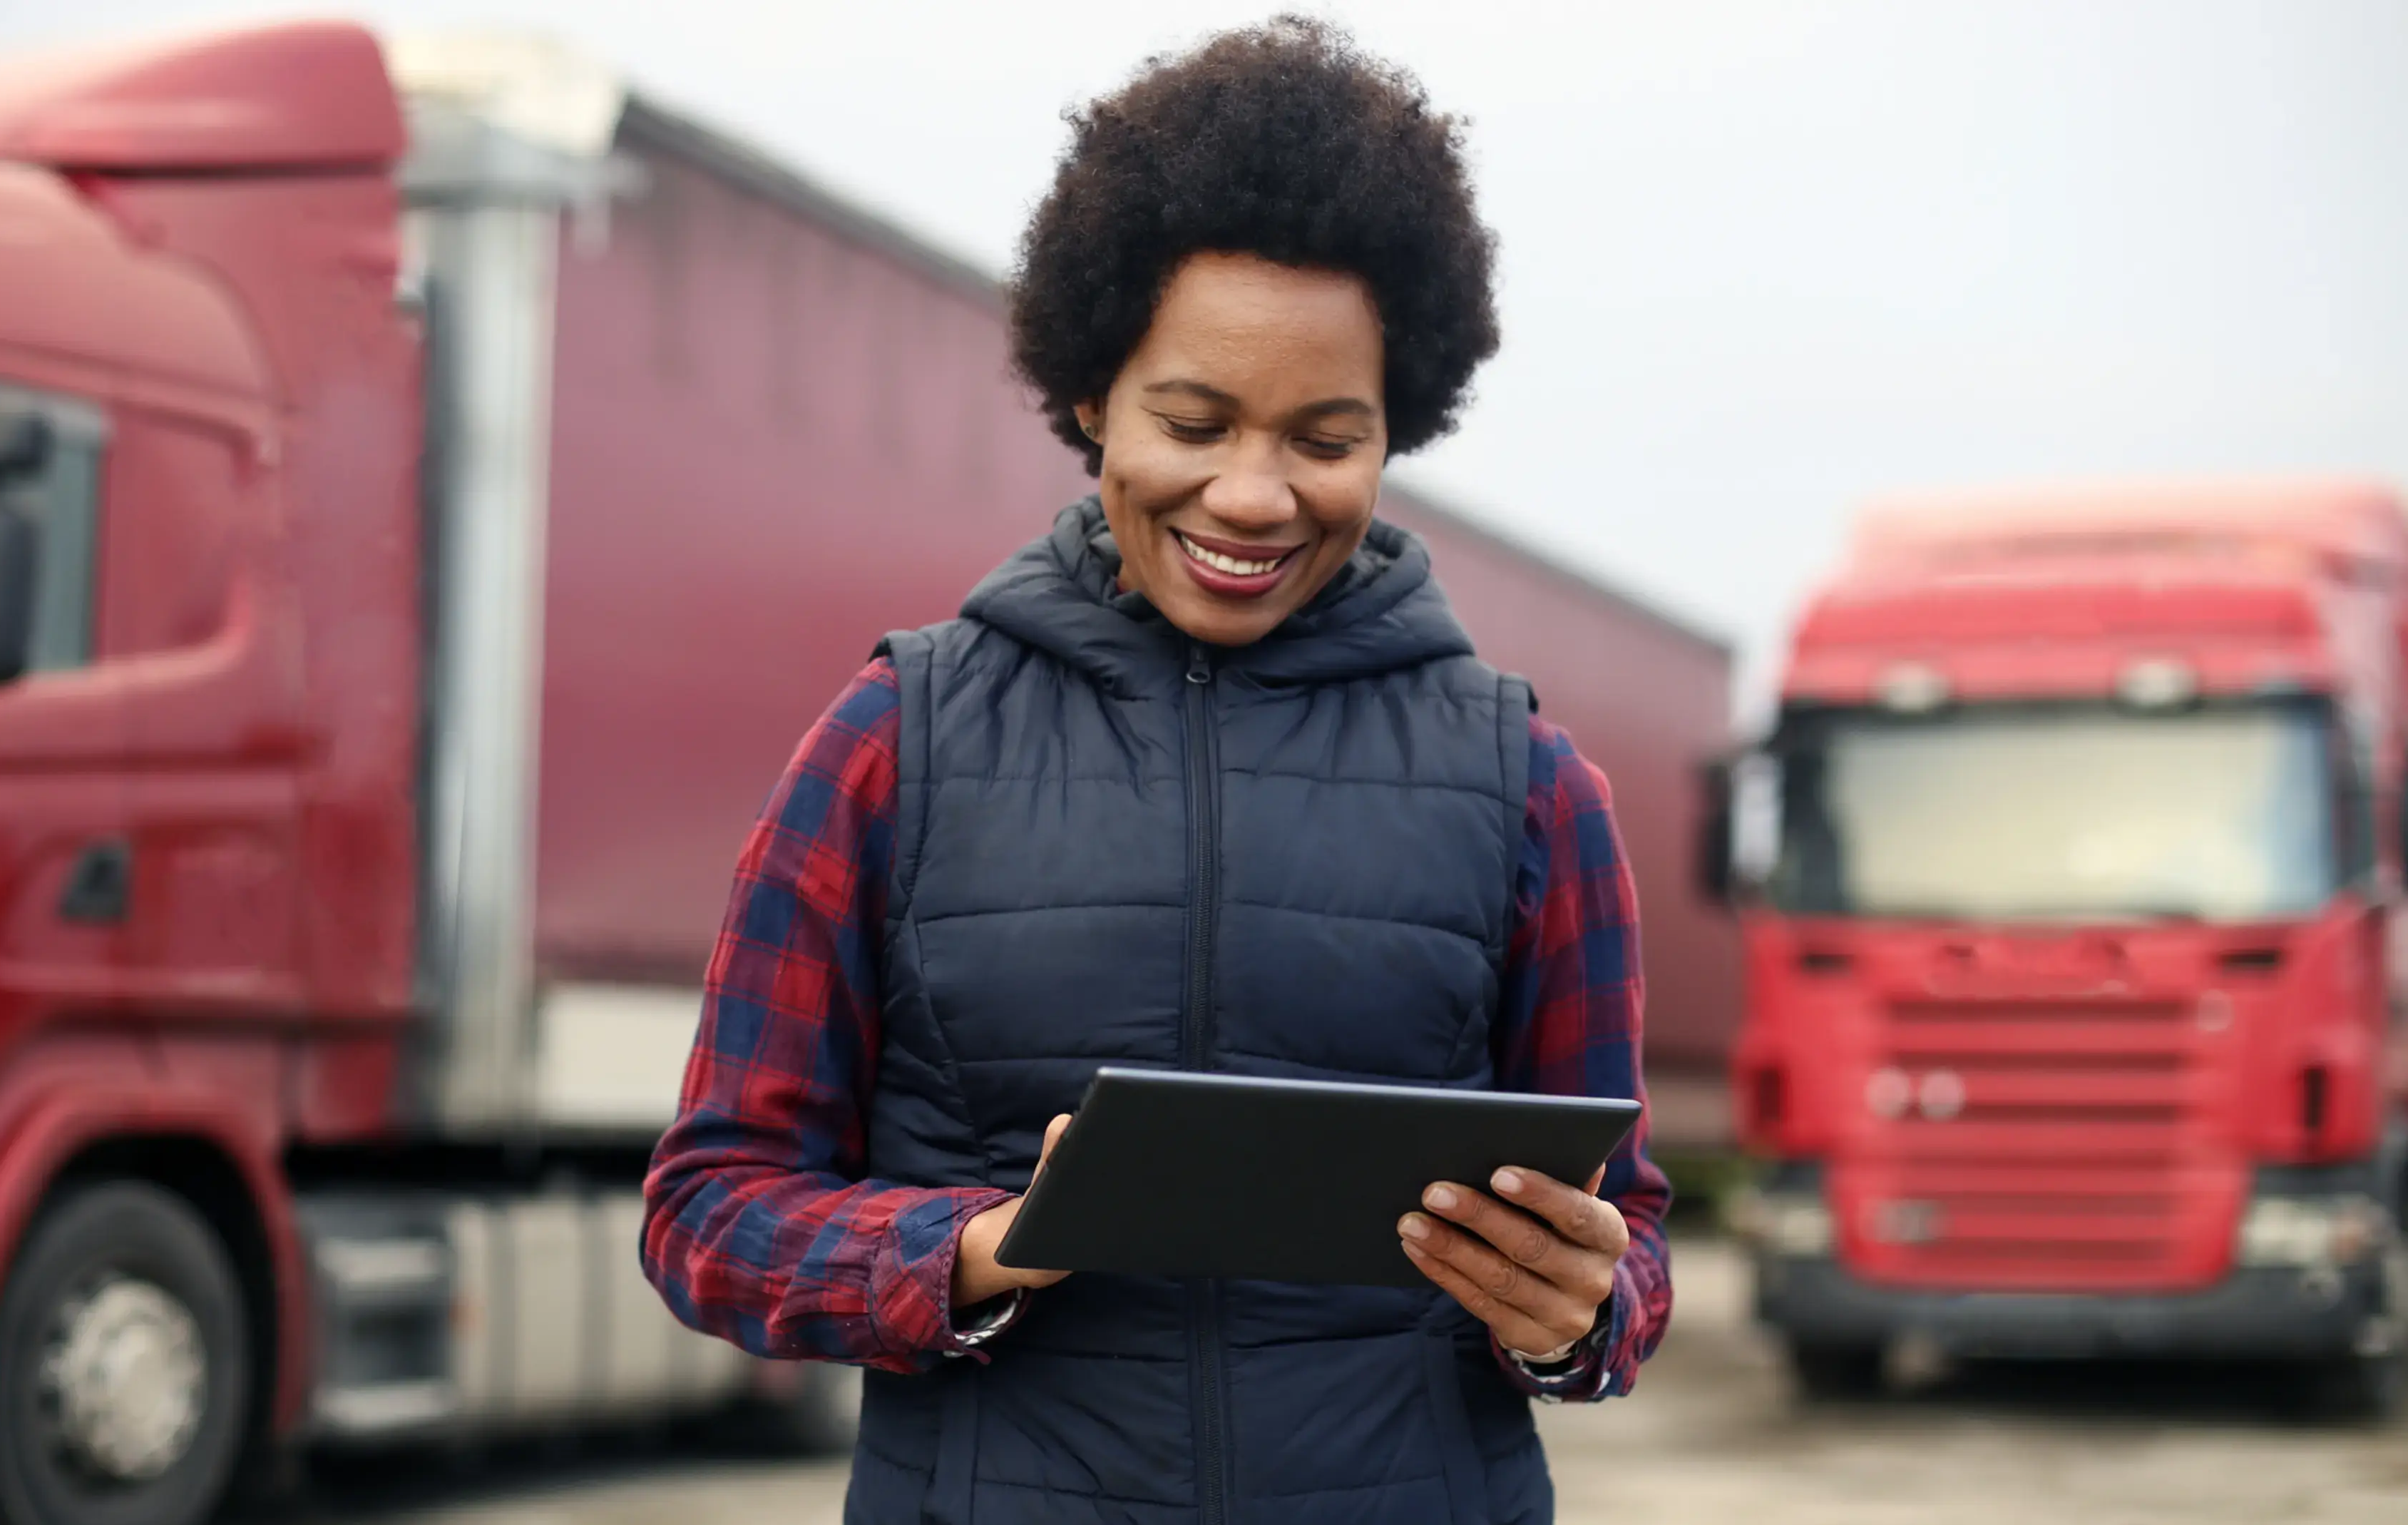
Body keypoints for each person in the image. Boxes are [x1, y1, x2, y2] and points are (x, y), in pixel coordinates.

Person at [642, 16, 1671, 1523]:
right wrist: (982, 1249)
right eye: (1193, 420)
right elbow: (708, 1210)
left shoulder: (1528, 784)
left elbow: (1628, 1239)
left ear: (1399, 430)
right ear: (1088, 399)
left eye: (1325, 437)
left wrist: (1579, 1314)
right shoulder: (889, 741)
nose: (1250, 494)